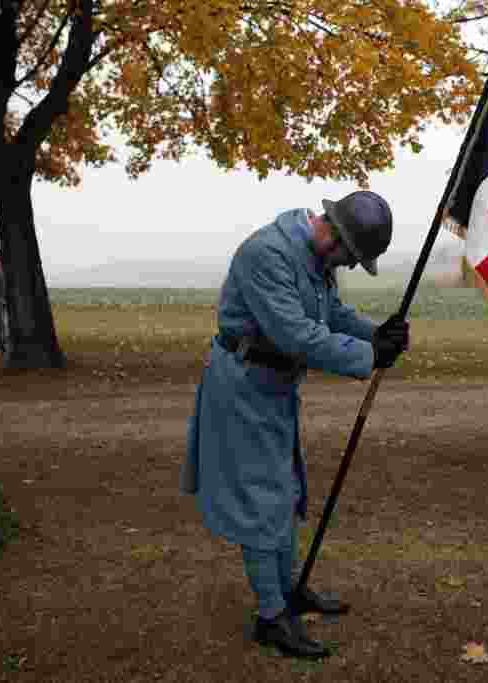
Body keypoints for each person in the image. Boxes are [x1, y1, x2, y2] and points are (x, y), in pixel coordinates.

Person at [182, 191, 410, 659]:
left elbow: (331, 315)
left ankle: (287, 591)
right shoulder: (266, 254)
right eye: (352, 258)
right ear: (337, 239)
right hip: (243, 387)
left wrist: (375, 332)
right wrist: (370, 356)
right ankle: (271, 617)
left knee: (284, 490)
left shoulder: (314, 255)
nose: (348, 267)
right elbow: (296, 334)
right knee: (261, 501)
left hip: (275, 386)